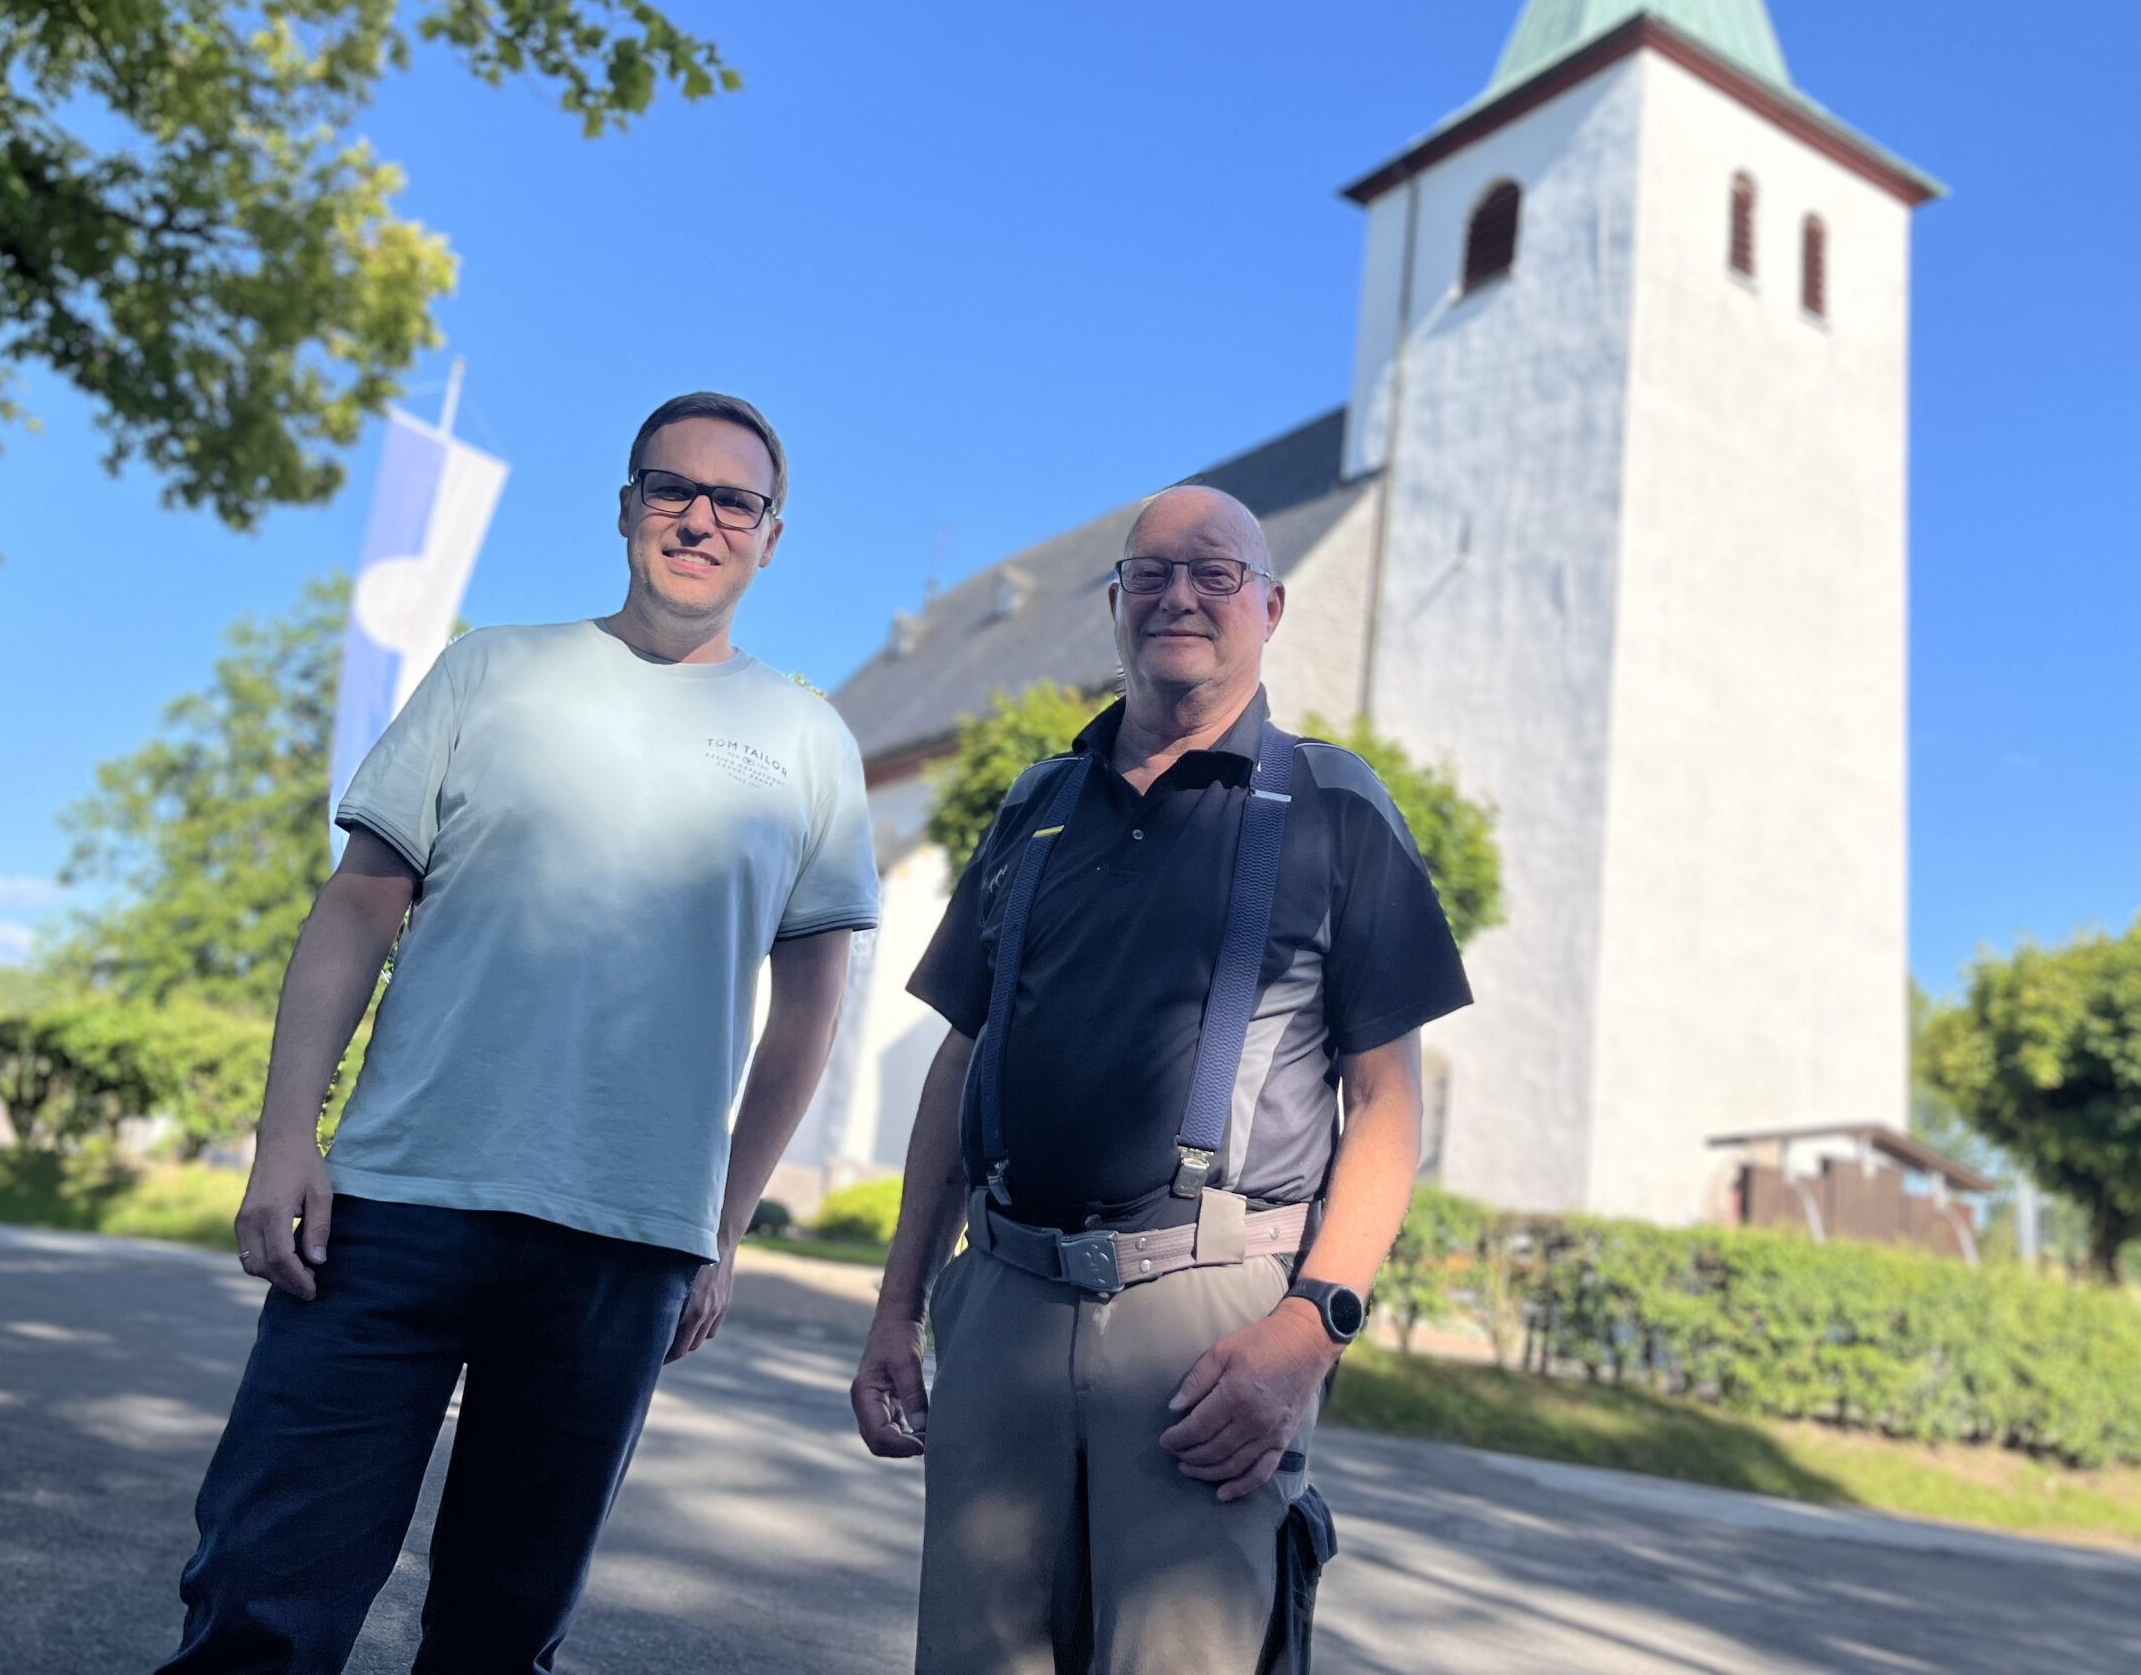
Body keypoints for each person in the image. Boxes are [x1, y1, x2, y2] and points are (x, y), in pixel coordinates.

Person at [160, 392, 879, 1674]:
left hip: (626, 1239)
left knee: (499, 1635)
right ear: (623, 506)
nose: (699, 517)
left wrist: (724, 1226)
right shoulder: (489, 667)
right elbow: (357, 907)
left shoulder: (811, 743)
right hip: (392, 1206)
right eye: (671, 488)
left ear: (772, 538)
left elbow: (810, 1010)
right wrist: (285, 1141)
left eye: (735, 501)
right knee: (263, 1598)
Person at [851, 483, 1472, 1674]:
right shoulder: (1035, 805)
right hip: (1007, 1303)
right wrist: (898, 1306)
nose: (1179, 594)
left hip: (1213, 1321)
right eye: (1150, 572)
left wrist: (1310, 1326)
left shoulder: (1336, 809)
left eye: (1216, 572)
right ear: (1114, 601)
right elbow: (961, 1060)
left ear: (1271, 607)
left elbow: (1388, 1103)